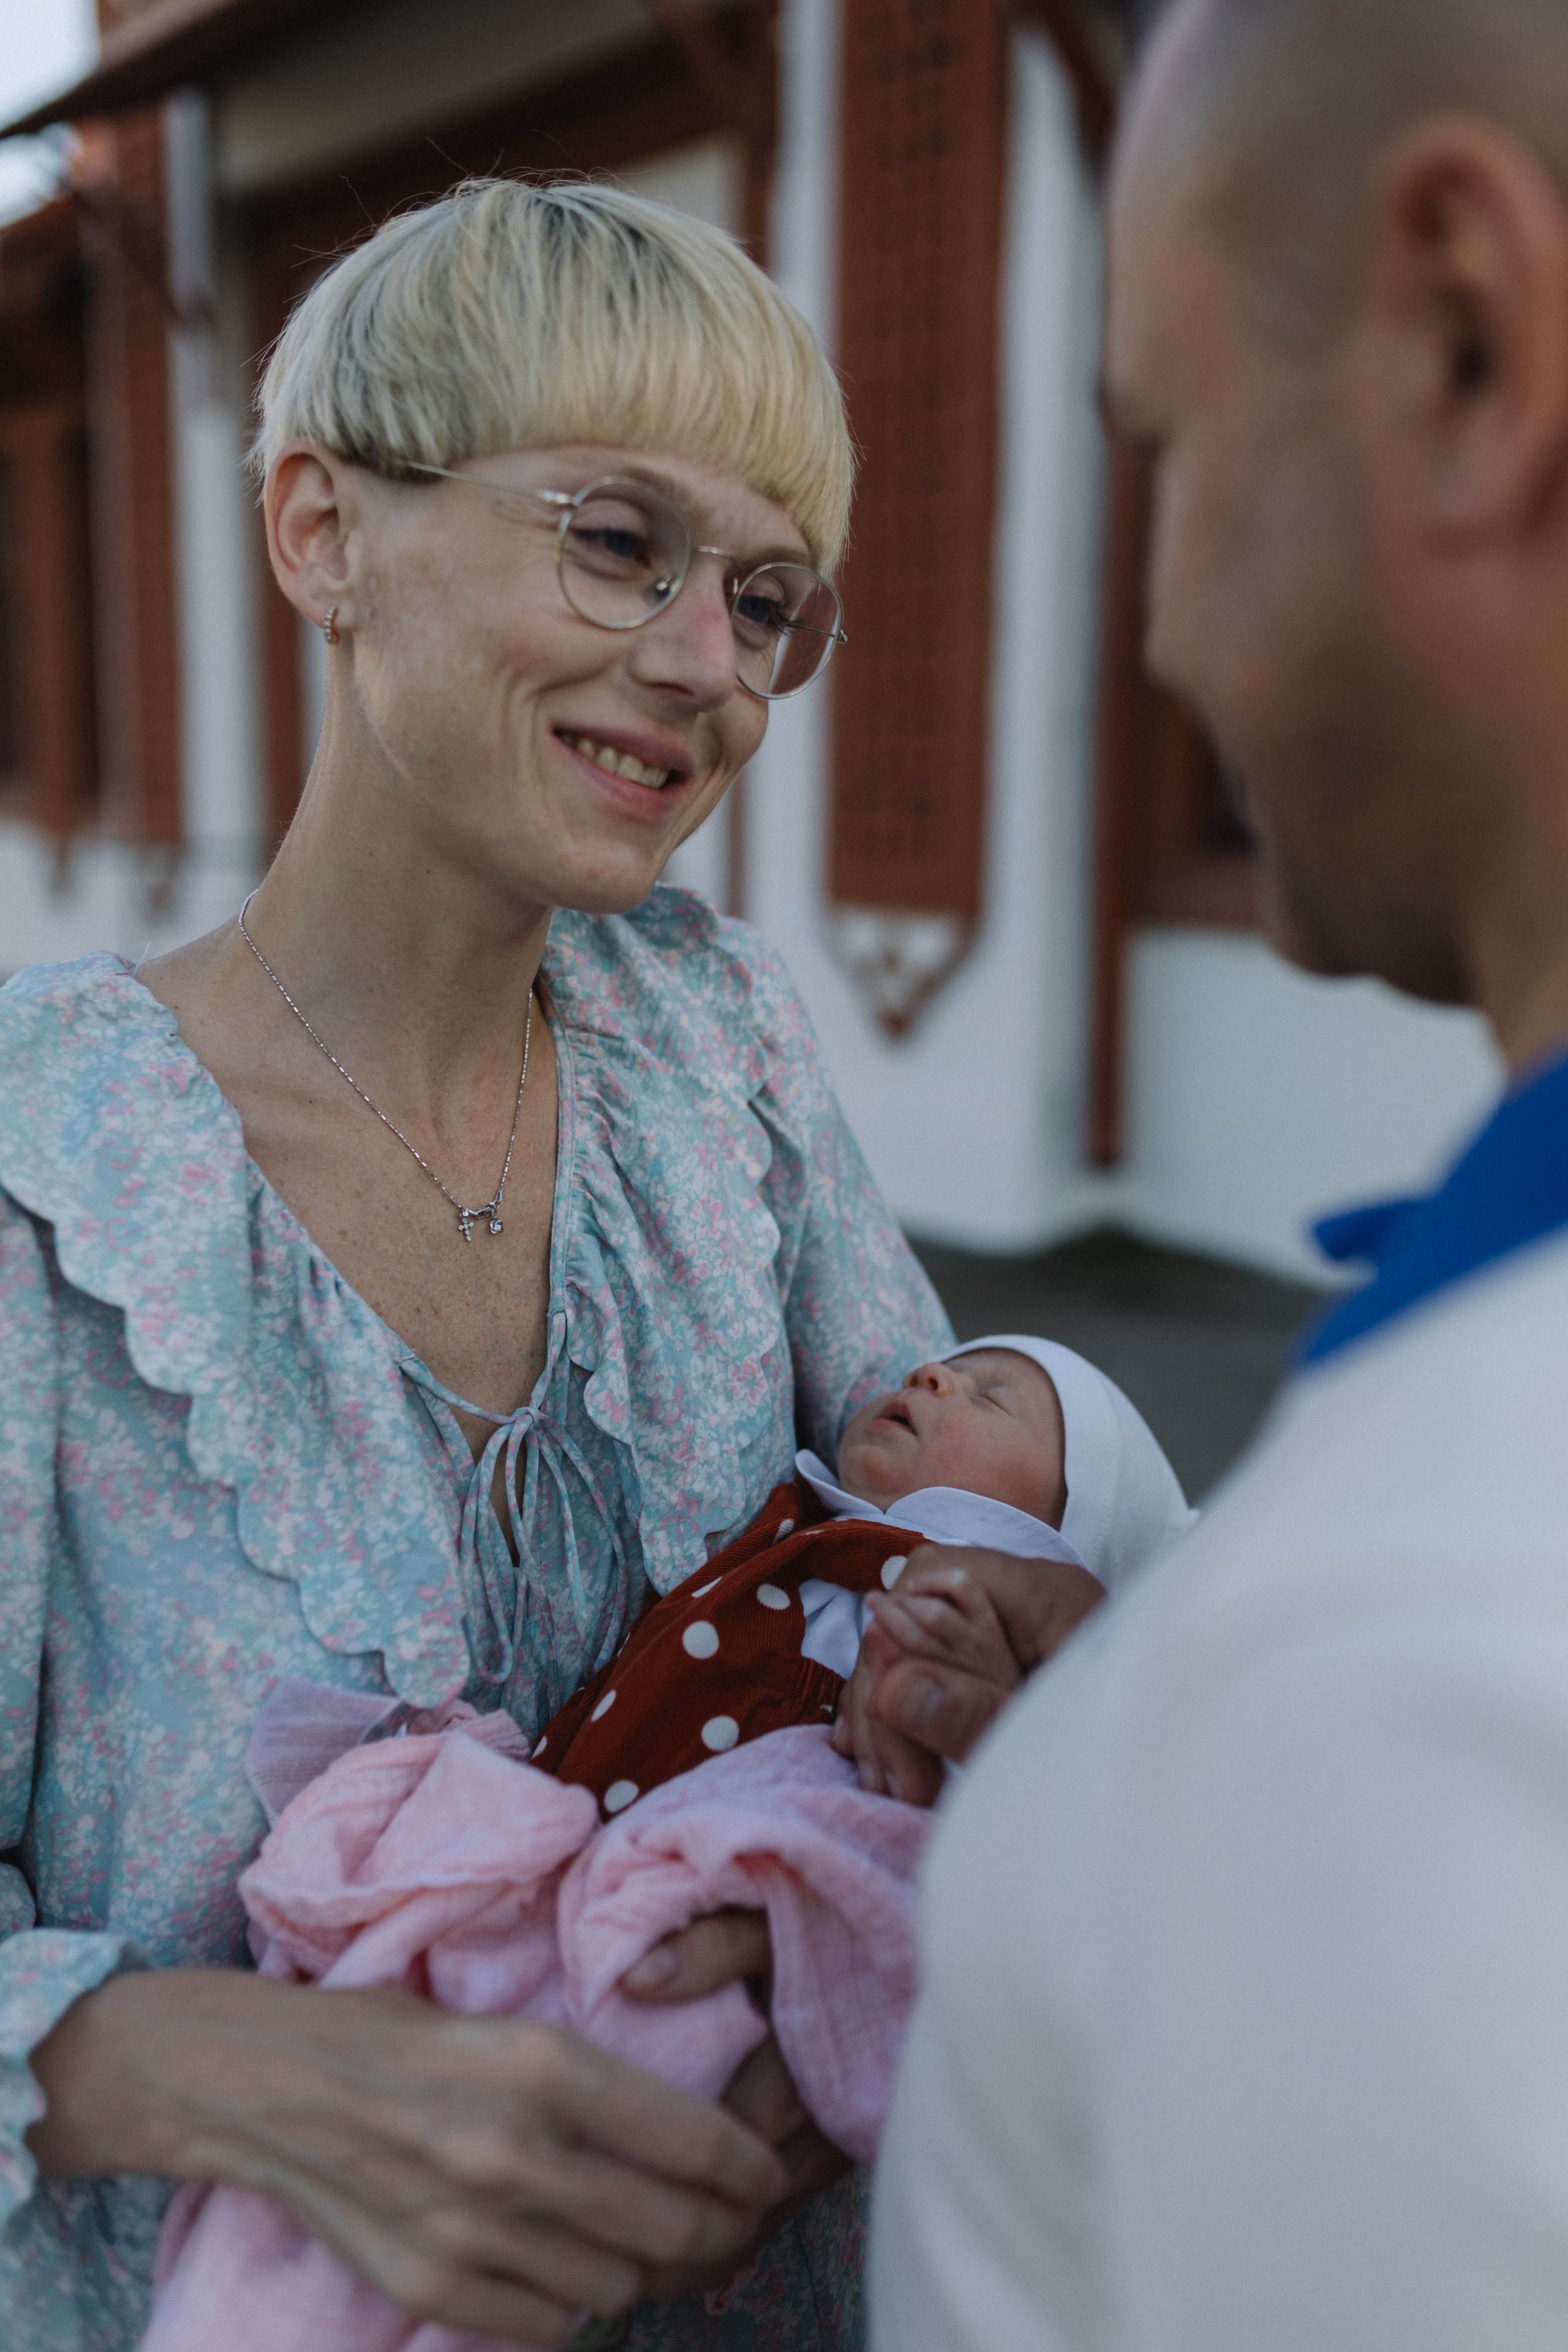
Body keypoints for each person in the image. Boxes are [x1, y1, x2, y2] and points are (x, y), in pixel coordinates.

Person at [0, 176, 991, 2352]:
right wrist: (188, 2061)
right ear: (319, 532)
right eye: (617, 540)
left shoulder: (716, 1049)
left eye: (765, 593)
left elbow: (959, 1503)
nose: (704, 666)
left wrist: (1009, 1647)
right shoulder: (37, 1177)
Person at [871, 0, 1568, 2344]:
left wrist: (1209, 1750)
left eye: (1164, 445)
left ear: (1473, 342)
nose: (1154, 626)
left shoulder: (1409, 1663)